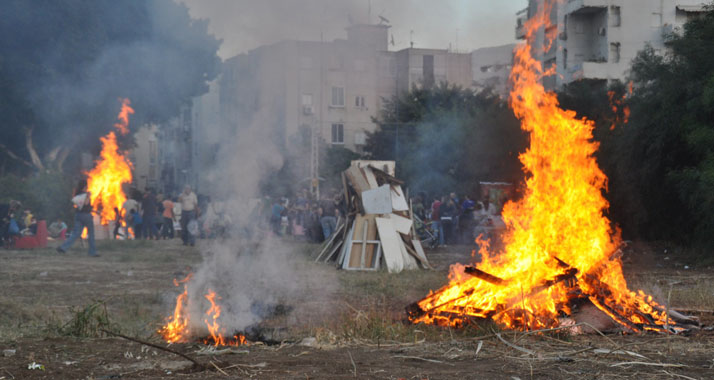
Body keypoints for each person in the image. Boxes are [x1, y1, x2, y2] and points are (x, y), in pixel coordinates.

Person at [57, 179, 98, 257]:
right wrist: (88, 196)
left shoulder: (77, 194)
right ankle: (92, 252)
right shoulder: (86, 195)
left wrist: (95, 211)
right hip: (86, 216)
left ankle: (63, 247)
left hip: (78, 215)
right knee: (91, 234)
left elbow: (80, 206)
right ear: (85, 186)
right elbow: (86, 204)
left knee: (75, 234)